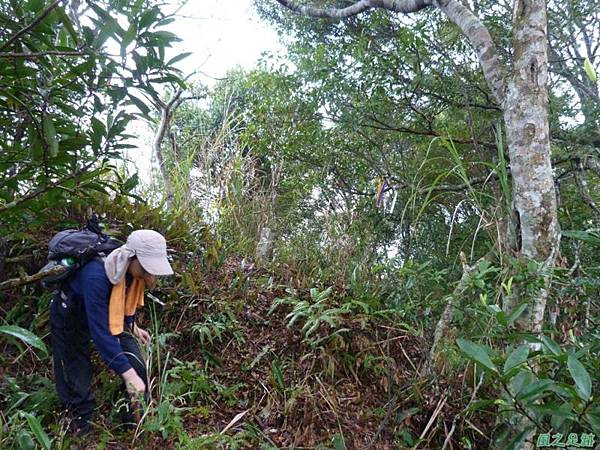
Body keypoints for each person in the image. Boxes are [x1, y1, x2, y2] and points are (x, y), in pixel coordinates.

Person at [49, 229, 174, 434]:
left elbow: (122, 301)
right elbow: (101, 335)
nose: (149, 275)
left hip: (108, 315)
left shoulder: (132, 271)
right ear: (131, 257)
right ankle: (80, 428)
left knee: (137, 367)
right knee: (76, 377)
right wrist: (128, 375)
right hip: (70, 315)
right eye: (146, 269)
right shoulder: (96, 275)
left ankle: (133, 425)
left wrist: (132, 326)